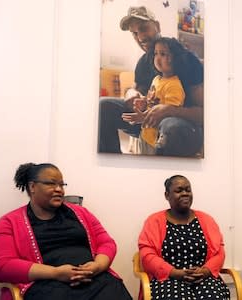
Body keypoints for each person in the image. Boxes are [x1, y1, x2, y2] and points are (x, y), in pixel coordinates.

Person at [0, 163, 132, 300]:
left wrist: (98, 266)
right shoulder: (9, 222)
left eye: (62, 185)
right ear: (32, 187)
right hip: (47, 285)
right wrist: (55, 273)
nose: (59, 189)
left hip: (95, 279)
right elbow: (0, 266)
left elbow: (106, 242)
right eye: (51, 183)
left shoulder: (81, 213)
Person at [98, 6, 203, 156]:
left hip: (183, 127)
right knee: (103, 107)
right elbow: (135, 91)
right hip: (147, 122)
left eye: (143, 28)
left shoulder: (188, 60)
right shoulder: (144, 61)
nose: (140, 37)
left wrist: (171, 110)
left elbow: (202, 114)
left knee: (170, 127)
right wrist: (131, 94)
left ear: (157, 26)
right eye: (134, 33)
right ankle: (112, 165)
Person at [138, 175, 230, 300]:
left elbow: (219, 252)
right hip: (167, 279)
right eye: (179, 190)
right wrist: (175, 273)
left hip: (203, 277)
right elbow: (147, 255)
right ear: (167, 195)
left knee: (214, 297)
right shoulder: (154, 221)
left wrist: (205, 271)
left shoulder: (207, 220)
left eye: (188, 190)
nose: (185, 193)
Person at [123, 37, 200, 156]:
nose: (157, 58)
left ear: (174, 59)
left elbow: (167, 112)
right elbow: (153, 100)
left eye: (163, 54)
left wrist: (143, 117)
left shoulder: (174, 85)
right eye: (156, 53)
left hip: (156, 137)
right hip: (146, 134)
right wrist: (143, 101)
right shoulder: (157, 79)